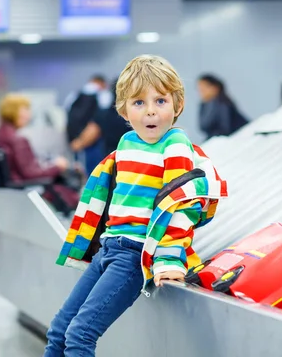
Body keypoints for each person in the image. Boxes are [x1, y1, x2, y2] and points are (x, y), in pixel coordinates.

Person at [43, 55, 228, 357]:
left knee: (80, 335)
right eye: (139, 102)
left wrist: (168, 260)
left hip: (133, 256)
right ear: (124, 109)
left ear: (177, 105)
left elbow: (180, 205)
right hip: (108, 248)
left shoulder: (175, 144)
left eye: (160, 101)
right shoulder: (127, 143)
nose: (151, 111)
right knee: (59, 331)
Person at [0, 94, 80, 214]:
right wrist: (57, 166)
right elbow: (31, 173)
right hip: (28, 189)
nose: (29, 115)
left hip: (12, 190)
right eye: (25, 110)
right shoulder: (18, 140)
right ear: (13, 112)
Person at [69, 78, 130, 156]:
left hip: (111, 160)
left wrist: (77, 144)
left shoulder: (104, 115)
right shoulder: (137, 115)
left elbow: (90, 133)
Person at [65, 75, 106, 175]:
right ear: (102, 84)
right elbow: (99, 121)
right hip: (93, 140)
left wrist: (75, 140)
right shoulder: (102, 95)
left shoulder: (74, 95)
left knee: (79, 171)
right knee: (96, 172)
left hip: (74, 140)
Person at [197, 74, 249, 139]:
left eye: (204, 88)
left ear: (215, 88)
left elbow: (225, 129)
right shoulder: (204, 105)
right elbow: (203, 127)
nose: (202, 91)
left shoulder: (222, 103)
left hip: (241, 135)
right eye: (200, 89)